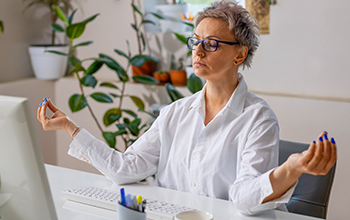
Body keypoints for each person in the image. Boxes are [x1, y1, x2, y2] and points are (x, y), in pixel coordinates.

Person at [37, 0, 337, 215]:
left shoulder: (258, 118)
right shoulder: (175, 112)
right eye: (195, 41)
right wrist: (68, 126)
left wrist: (292, 168)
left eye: (212, 43)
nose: (198, 50)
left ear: (239, 54)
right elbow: (125, 169)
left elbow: (244, 198)